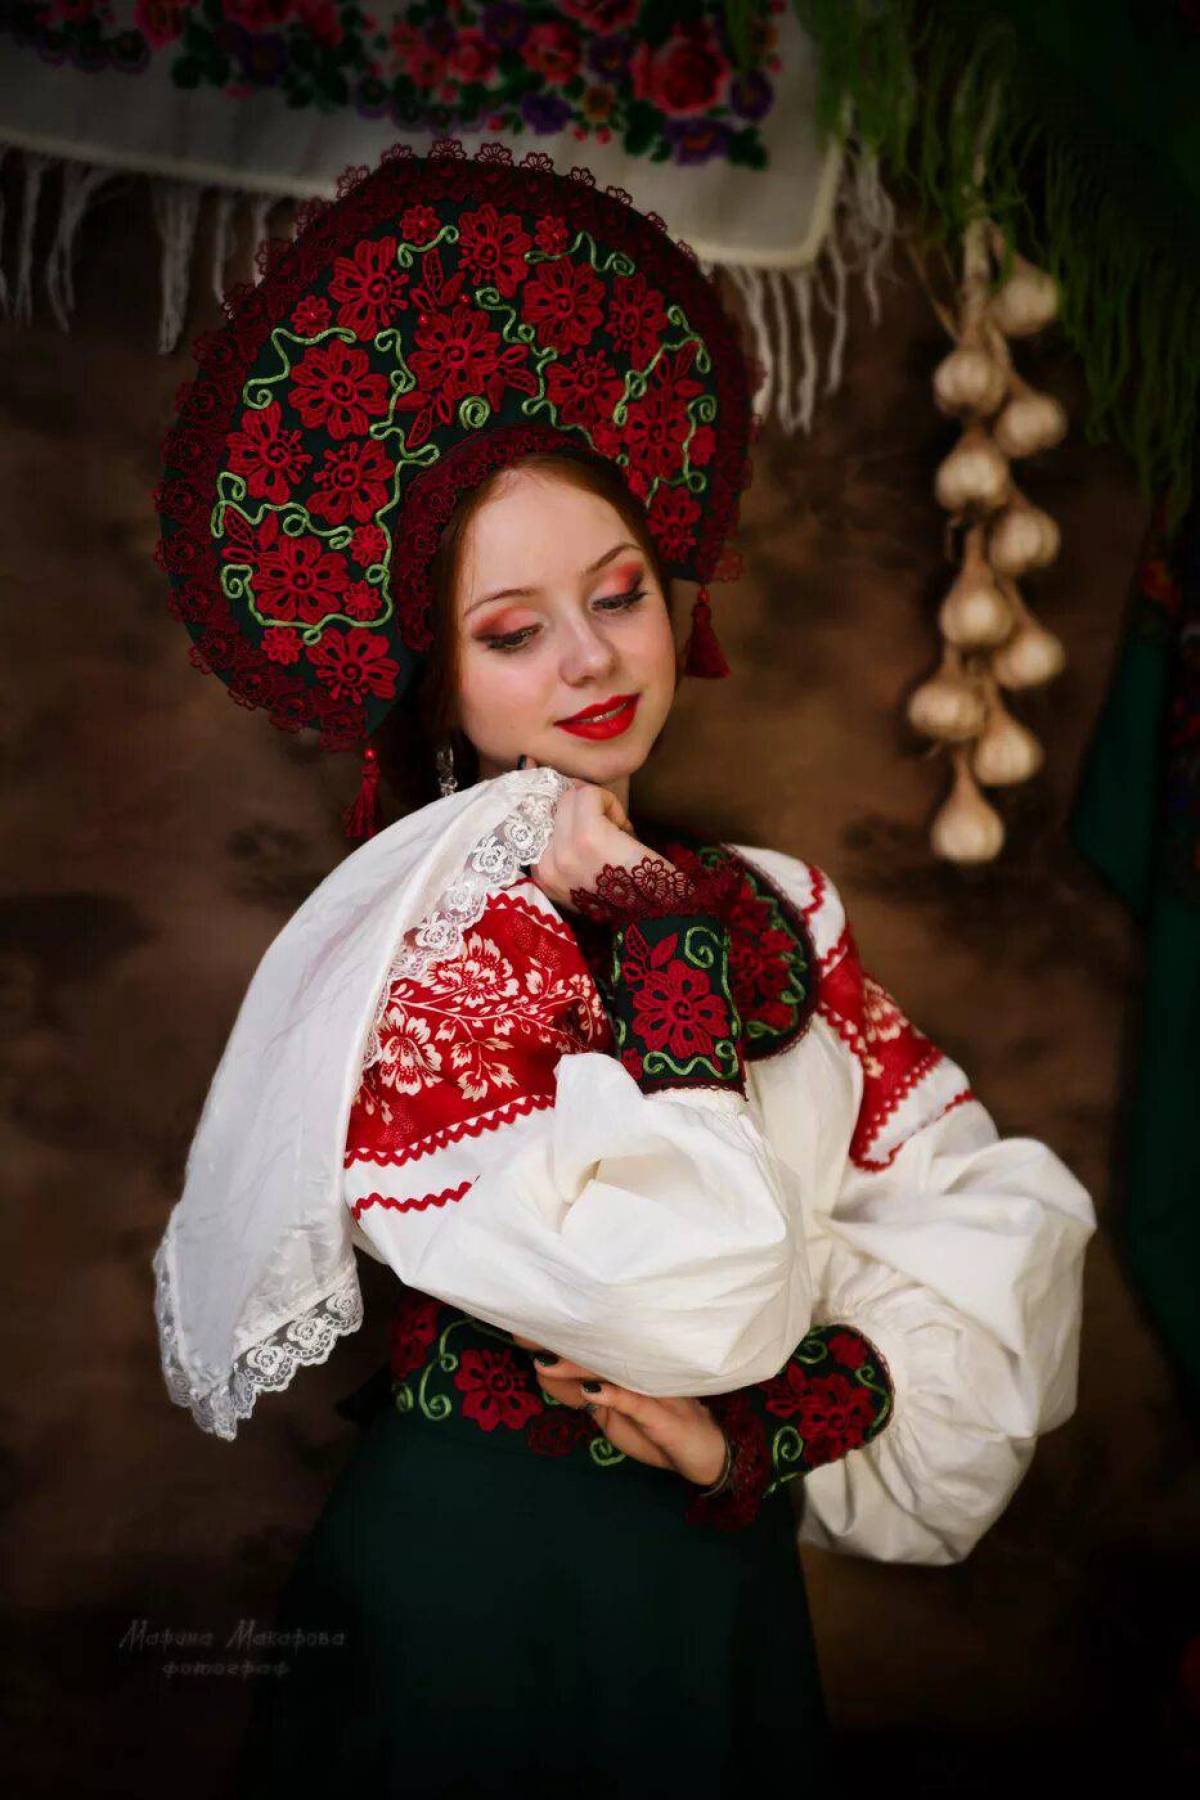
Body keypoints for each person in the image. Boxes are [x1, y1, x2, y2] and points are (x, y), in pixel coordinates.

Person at [150, 145, 1096, 1795]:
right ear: (435, 680)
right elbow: (695, 1288)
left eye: (620, 595)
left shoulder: (773, 907)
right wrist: (659, 933)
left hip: (706, 1573)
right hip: (480, 1585)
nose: (592, 656)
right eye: (515, 629)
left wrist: (774, 1426)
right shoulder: (438, 944)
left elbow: (977, 1214)